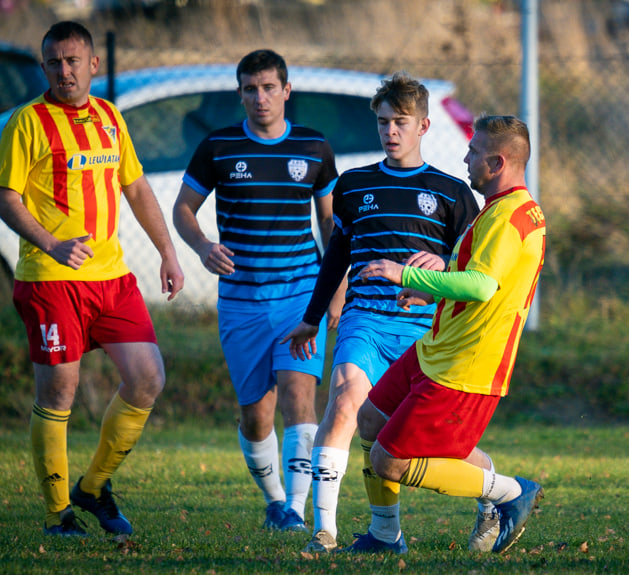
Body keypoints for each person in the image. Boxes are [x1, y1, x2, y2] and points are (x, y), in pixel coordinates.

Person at [282, 71, 480, 554]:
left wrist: (444, 265)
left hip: (425, 332)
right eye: (384, 122)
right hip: (364, 320)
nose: (390, 131)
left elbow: (476, 270)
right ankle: (325, 530)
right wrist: (313, 314)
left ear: (424, 127)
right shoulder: (353, 185)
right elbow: (336, 256)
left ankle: (500, 494)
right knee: (346, 401)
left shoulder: (452, 192)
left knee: (431, 439)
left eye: (400, 122)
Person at [0, 21, 184, 537]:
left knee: (148, 376)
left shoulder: (109, 117)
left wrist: (168, 252)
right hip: (49, 280)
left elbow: (137, 186)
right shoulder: (26, 123)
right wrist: (52, 243)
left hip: (112, 277)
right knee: (61, 388)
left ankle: (94, 485)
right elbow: (5, 197)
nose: (64, 71)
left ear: (92, 65)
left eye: (73, 60)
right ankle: (59, 513)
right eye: (54, 63)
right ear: (44, 68)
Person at [354, 114, 546, 554]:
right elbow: (481, 284)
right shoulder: (502, 209)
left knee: (389, 460)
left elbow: (481, 286)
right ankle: (384, 538)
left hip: (465, 367)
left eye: (474, 151)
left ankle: (510, 493)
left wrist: (407, 276)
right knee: (370, 420)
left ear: (497, 162)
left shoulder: (507, 217)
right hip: (436, 350)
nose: (465, 157)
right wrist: (434, 298)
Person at [172, 49, 342, 533]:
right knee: (256, 415)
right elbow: (183, 208)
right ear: (240, 93)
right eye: (250, 88)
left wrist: (336, 289)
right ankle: (275, 500)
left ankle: (298, 509)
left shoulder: (313, 148)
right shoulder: (219, 147)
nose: (260, 98)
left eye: (269, 88)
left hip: (299, 294)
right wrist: (203, 246)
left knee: (298, 396)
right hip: (242, 303)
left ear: (287, 91)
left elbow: (330, 223)